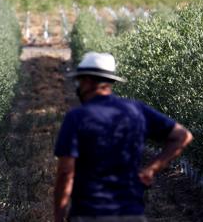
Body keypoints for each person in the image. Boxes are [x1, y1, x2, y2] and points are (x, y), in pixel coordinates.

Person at [53, 52, 193, 222]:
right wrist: (151, 170)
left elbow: (66, 172)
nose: (78, 86)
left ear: (88, 81)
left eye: (79, 81)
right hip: (131, 213)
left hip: (88, 212)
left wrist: (59, 215)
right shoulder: (136, 110)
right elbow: (183, 136)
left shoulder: (77, 117)